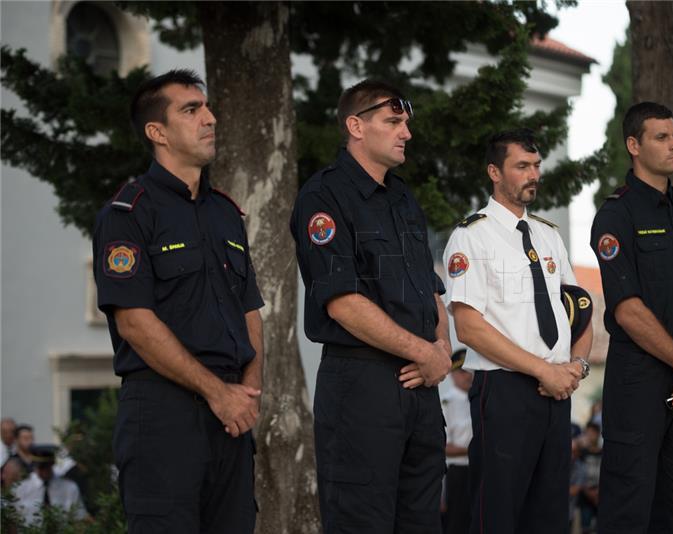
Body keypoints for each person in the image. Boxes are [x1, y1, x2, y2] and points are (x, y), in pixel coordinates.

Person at [92, 69, 264, 533]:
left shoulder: (226, 214)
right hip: (164, 415)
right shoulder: (128, 214)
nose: (209, 118)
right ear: (157, 132)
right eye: (191, 110)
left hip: (232, 419)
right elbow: (134, 324)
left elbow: (250, 310)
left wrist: (246, 394)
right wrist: (218, 393)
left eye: (207, 108)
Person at [290, 79, 451, 533]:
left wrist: (440, 349)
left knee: (421, 523)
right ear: (356, 126)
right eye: (393, 122)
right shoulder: (323, 197)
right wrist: (424, 353)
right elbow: (342, 302)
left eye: (406, 123)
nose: (406, 133)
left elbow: (429, 288)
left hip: (421, 385)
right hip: (362, 385)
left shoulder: (402, 197)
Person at [443, 128, 592, 533]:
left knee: (548, 516)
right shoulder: (471, 236)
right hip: (505, 391)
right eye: (522, 166)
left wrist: (575, 366)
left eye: (537, 165)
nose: (534, 174)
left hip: (558, 392)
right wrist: (543, 370)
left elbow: (579, 310)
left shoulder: (548, 235)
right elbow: (470, 327)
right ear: (494, 171)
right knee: (498, 514)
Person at [590, 101, 673, 533]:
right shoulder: (617, 215)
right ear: (634, 145)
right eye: (661, 137)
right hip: (640, 378)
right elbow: (628, 310)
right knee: (629, 510)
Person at [12, 445, 88, 525]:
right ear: (35, 465)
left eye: (47, 466)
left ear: (52, 464)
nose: (45, 471)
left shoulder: (69, 488)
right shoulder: (21, 489)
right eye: (41, 467)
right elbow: (13, 520)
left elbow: (79, 519)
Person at [441, 349, 473, 534]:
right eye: (462, 371)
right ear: (452, 373)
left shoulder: (479, 400)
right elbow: (443, 446)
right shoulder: (447, 402)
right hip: (458, 472)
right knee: (457, 524)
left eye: (470, 370)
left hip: (480, 468)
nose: (468, 375)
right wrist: (473, 450)